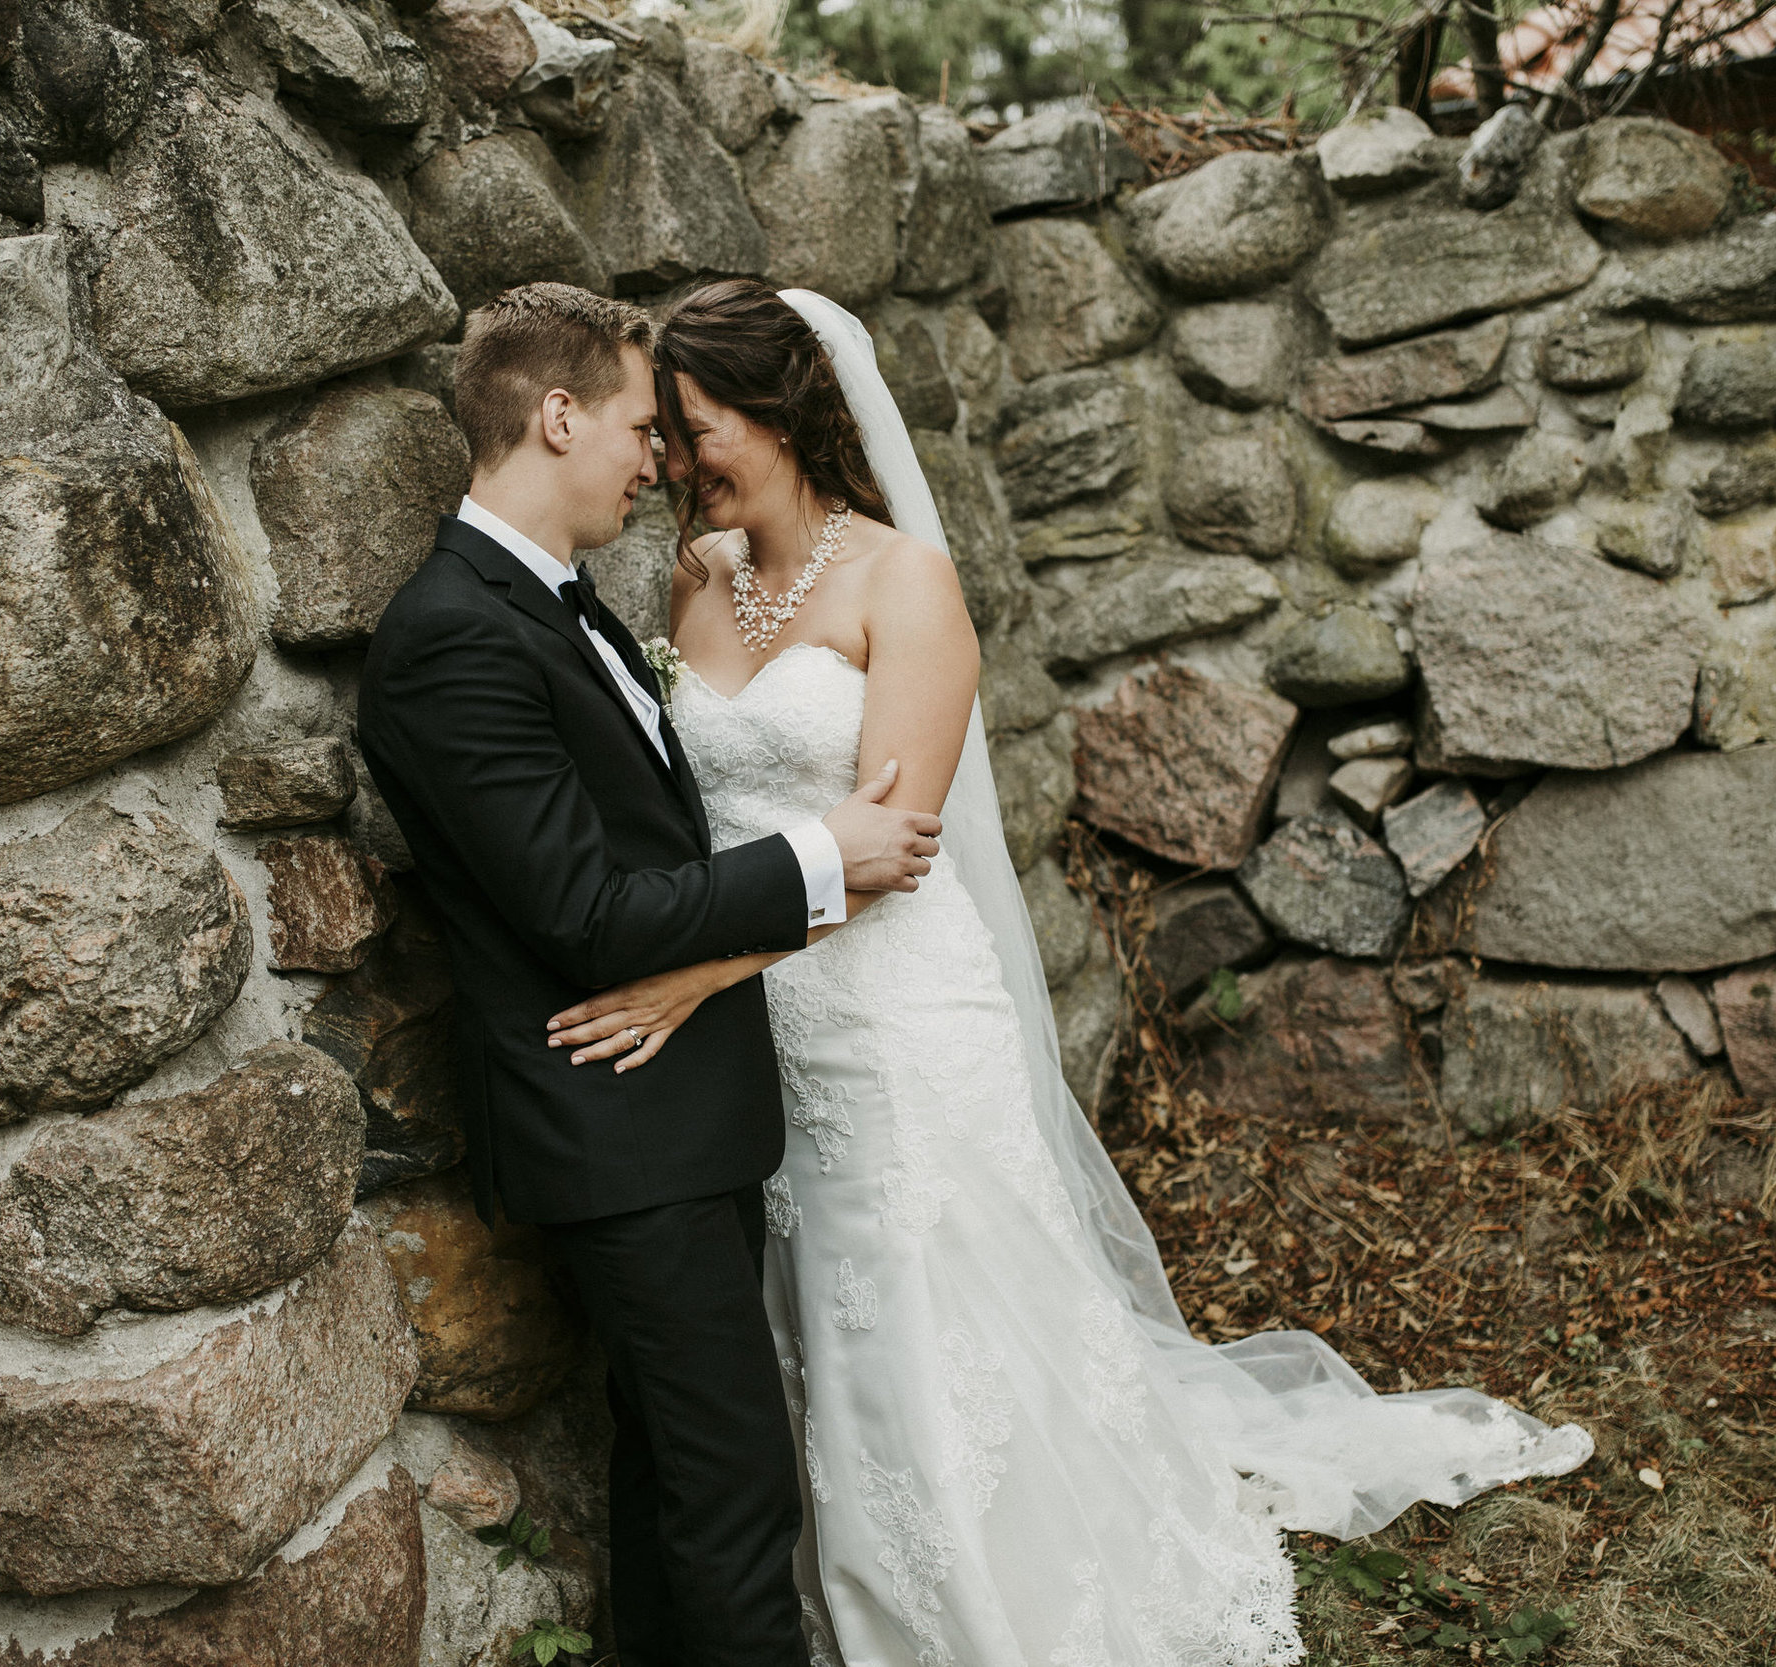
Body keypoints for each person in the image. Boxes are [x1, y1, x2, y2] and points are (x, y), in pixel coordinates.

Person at [542, 279, 1596, 1667]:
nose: (673, 461)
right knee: (801, 1315)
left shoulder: (905, 581)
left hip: (891, 1012)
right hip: (765, 1027)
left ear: (785, 408)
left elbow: (889, 853)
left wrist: (691, 979)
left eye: (693, 426)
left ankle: (986, 1599)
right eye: (661, 434)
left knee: (921, 1316)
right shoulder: (696, 575)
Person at [357, 282, 947, 1667]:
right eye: (637, 425)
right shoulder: (455, 633)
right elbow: (587, 910)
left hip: (675, 1120)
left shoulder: (555, 607)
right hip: (618, 1124)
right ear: (556, 417)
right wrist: (826, 850)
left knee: (677, 1479)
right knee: (735, 1493)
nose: (656, 458)